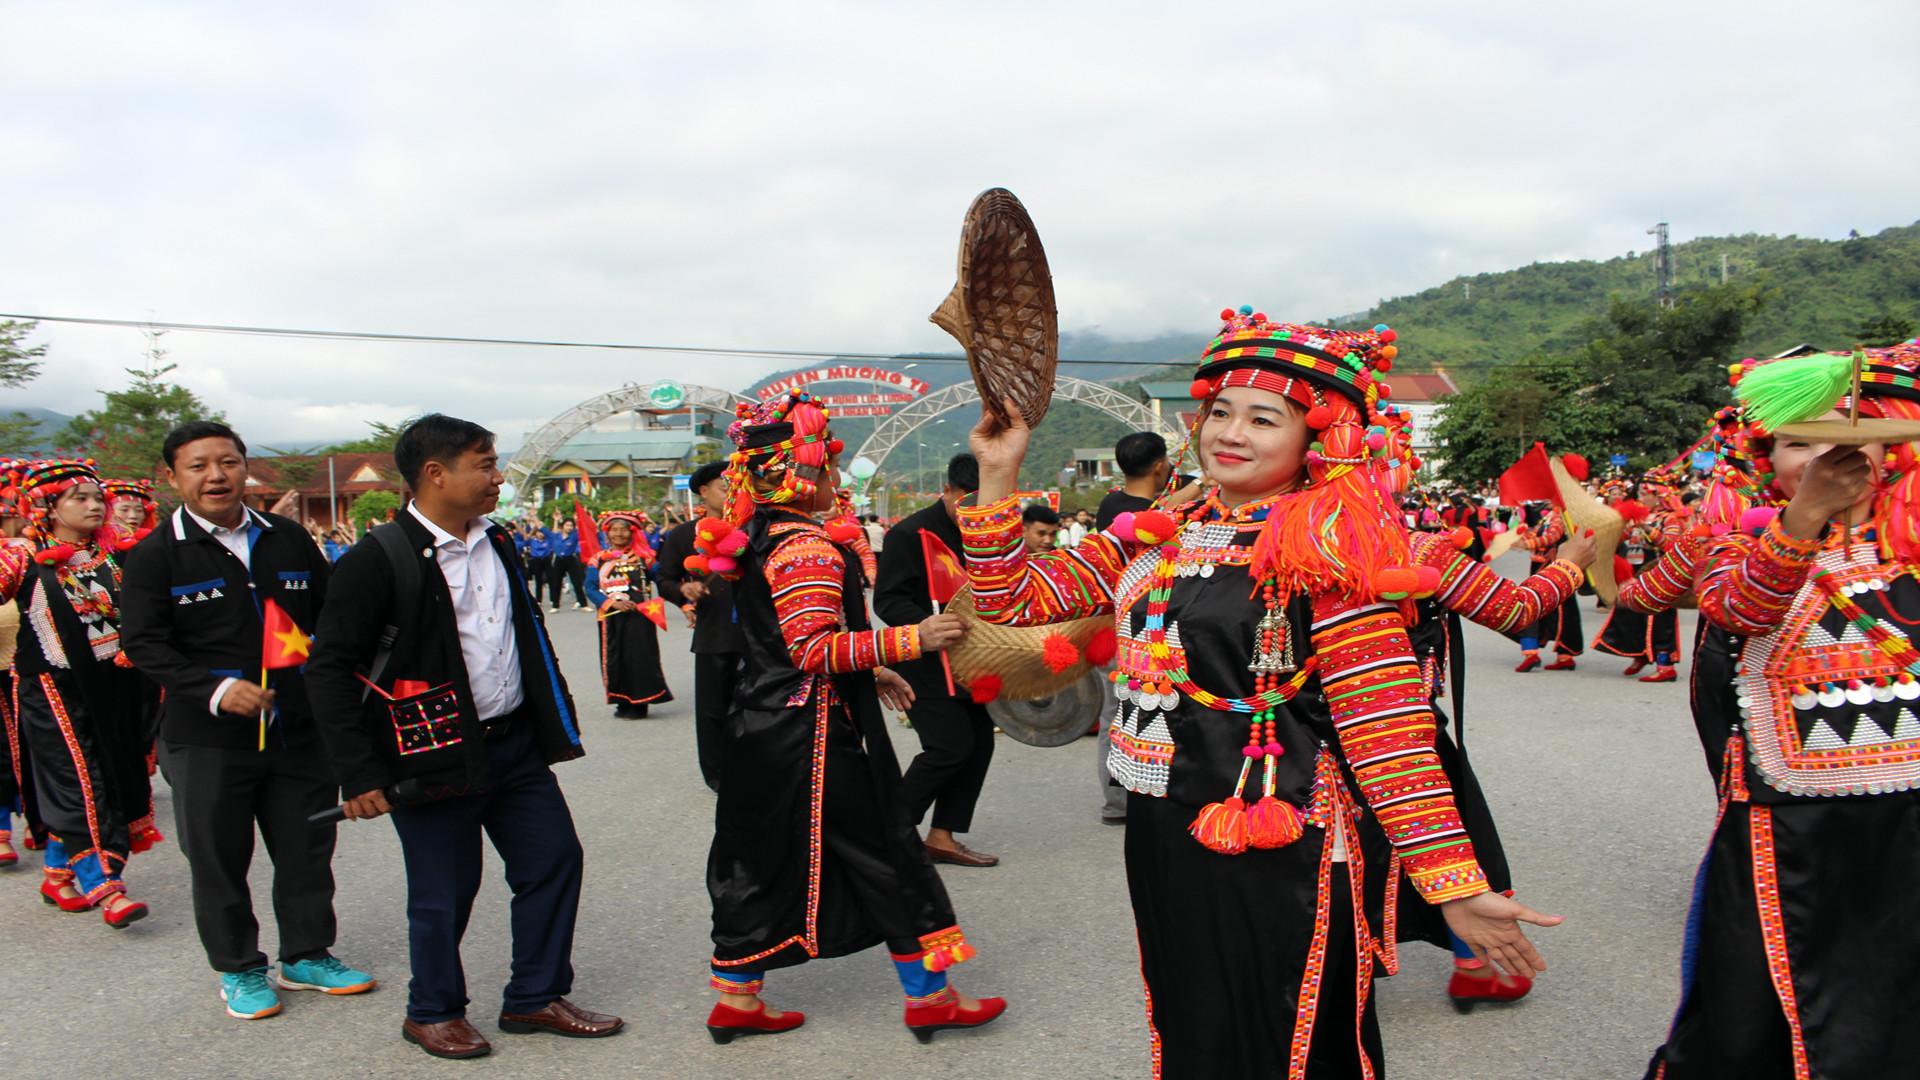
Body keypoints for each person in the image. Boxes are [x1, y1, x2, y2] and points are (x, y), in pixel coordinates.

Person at [961, 310, 1558, 1078]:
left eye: (1263, 418)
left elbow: (1386, 729)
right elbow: (1011, 598)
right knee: (1191, 1020)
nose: (1230, 432)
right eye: (1220, 412)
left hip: (1287, 835)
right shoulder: (1167, 524)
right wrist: (1000, 471)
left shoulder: (1333, 542)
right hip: (1166, 823)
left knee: (1292, 1038)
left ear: (1320, 436)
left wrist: (1453, 884)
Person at [306, 414, 621, 1060]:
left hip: (513, 745)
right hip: (431, 752)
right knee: (445, 889)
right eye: (484, 464)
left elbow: (520, 640)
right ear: (434, 473)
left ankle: (535, 993)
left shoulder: (498, 542)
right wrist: (361, 773)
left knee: (554, 859)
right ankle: (432, 1011)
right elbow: (330, 669)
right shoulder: (378, 559)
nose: (496, 476)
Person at [1645, 343, 1920, 1080]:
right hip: (1783, 816)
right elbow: (1742, 608)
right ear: (1768, 458)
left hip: (1908, 815)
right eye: (1799, 441)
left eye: (1847, 436)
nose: (1824, 456)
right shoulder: (1738, 547)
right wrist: (1803, 521)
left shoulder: (1910, 552)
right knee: (1755, 1001)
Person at [701, 390, 1004, 1044]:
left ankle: (737, 995)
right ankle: (930, 996)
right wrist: (910, 640)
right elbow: (812, 649)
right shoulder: (805, 547)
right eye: (826, 466)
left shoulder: (756, 538)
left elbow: (783, 646)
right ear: (804, 474)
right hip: (811, 737)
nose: (834, 480)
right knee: (887, 851)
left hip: (761, 727)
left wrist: (872, 668)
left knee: (759, 856)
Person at [119, 421, 375, 1020]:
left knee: (307, 848)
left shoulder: (288, 538)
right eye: (199, 465)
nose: (216, 476)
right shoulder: (156, 556)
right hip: (206, 740)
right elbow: (145, 645)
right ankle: (238, 968)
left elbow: (330, 618)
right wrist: (215, 690)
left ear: (244, 467)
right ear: (172, 476)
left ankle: (307, 955)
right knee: (218, 857)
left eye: (228, 462)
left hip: (297, 732)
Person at [0, 459, 159, 928]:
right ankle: (104, 885)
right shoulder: (21, 554)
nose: (96, 506)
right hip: (52, 689)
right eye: (80, 498)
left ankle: (56, 873)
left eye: (97, 498)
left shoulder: (115, 555)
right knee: (80, 782)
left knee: (113, 774)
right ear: (48, 508)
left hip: (115, 686)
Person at [875, 454, 1000, 868]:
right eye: (966, 502)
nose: (974, 512)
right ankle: (886, 835)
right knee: (950, 747)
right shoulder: (909, 534)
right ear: (946, 491)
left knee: (979, 745)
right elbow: (888, 600)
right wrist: (928, 627)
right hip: (925, 662)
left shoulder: (990, 531)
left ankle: (942, 836)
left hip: (976, 659)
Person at [656, 461, 741, 791]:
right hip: (714, 634)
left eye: (737, 486)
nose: (733, 492)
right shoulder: (682, 535)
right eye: (725, 487)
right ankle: (719, 775)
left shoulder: (754, 527)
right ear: (703, 492)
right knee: (713, 711)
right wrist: (683, 591)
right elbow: (664, 578)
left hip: (759, 634)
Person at [584, 511, 672, 718]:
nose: (619, 533)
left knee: (640, 658)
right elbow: (590, 588)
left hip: (640, 617)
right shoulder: (597, 559)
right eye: (614, 529)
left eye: (624, 529)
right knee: (615, 659)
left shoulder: (644, 557)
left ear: (632, 532)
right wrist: (612, 603)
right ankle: (621, 700)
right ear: (607, 533)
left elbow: (663, 578)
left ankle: (640, 704)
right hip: (611, 618)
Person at [549, 519, 588, 612]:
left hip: (570, 559)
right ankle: (555, 606)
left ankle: (584, 605)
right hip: (559, 560)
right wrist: (556, 520)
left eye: (571, 526)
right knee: (556, 583)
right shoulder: (556, 536)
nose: (569, 527)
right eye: (567, 525)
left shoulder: (573, 537)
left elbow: (582, 530)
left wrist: (578, 519)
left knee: (577, 583)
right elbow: (543, 528)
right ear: (562, 526)